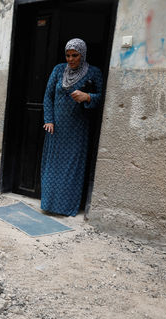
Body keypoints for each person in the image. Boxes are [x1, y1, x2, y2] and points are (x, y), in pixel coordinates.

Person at [41, 38, 103, 216]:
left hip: (77, 129)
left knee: (71, 169)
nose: (70, 59)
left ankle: (66, 208)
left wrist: (88, 97)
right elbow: (48, 96)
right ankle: (48, 204)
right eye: (68, 55)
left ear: (82, 54)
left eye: (75, 55)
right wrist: (49, 120)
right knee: (52, 166)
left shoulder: (94, 72)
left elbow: (102, 97)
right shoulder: (59, 70)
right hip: (56, 128)